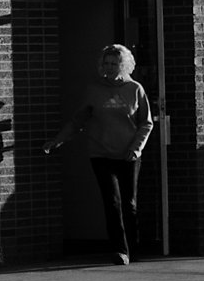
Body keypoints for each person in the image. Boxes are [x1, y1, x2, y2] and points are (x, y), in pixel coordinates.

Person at [45, 43, 154, 264]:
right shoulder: (94, 90)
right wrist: (58, 140)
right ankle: (120, 250)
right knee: (111, 202)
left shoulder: (134, 89)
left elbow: (146, 123)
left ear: (123, 65)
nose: (110, 67)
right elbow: (79, 120)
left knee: (129, 204)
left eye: (115, 63)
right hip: (101, 153)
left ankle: (133, 247)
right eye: (106, 63)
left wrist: (136, 148)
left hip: (128, 155)